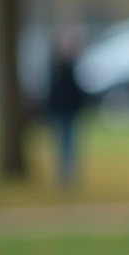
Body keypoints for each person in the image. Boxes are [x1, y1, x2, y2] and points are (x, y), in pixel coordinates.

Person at [45, 28, 85, 188]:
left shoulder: (71, 67)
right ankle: (63, 174)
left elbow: (76, 91)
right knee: (62, 144)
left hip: (71, 111)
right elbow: (52, 93)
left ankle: (69, 174)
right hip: (60, 111)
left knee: (71, 144)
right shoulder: (57, 69)